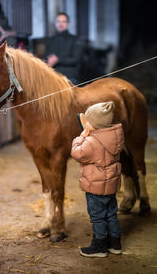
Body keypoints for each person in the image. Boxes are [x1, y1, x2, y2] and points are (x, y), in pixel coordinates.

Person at [71, 102, 124, 258]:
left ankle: (99, 247)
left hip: (96, 187)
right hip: (111, 185)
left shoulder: (92, 142)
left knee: (97, 216)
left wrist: (81, 136)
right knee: (111, 214)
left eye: (88, 121)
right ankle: (115, 244)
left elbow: (77, 153)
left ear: (94, 124)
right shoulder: (115, 137)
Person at [44, 12, 84, 84]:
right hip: (53, 76)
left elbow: (76, 59)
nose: (61, 24)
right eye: (58, 21)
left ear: (68, 23)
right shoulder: (51, 40)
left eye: (64, 21)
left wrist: (58, 59)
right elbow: (45, 57)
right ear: (55, 23)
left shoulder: (75, 39)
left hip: (69, 77)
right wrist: (47, 60)